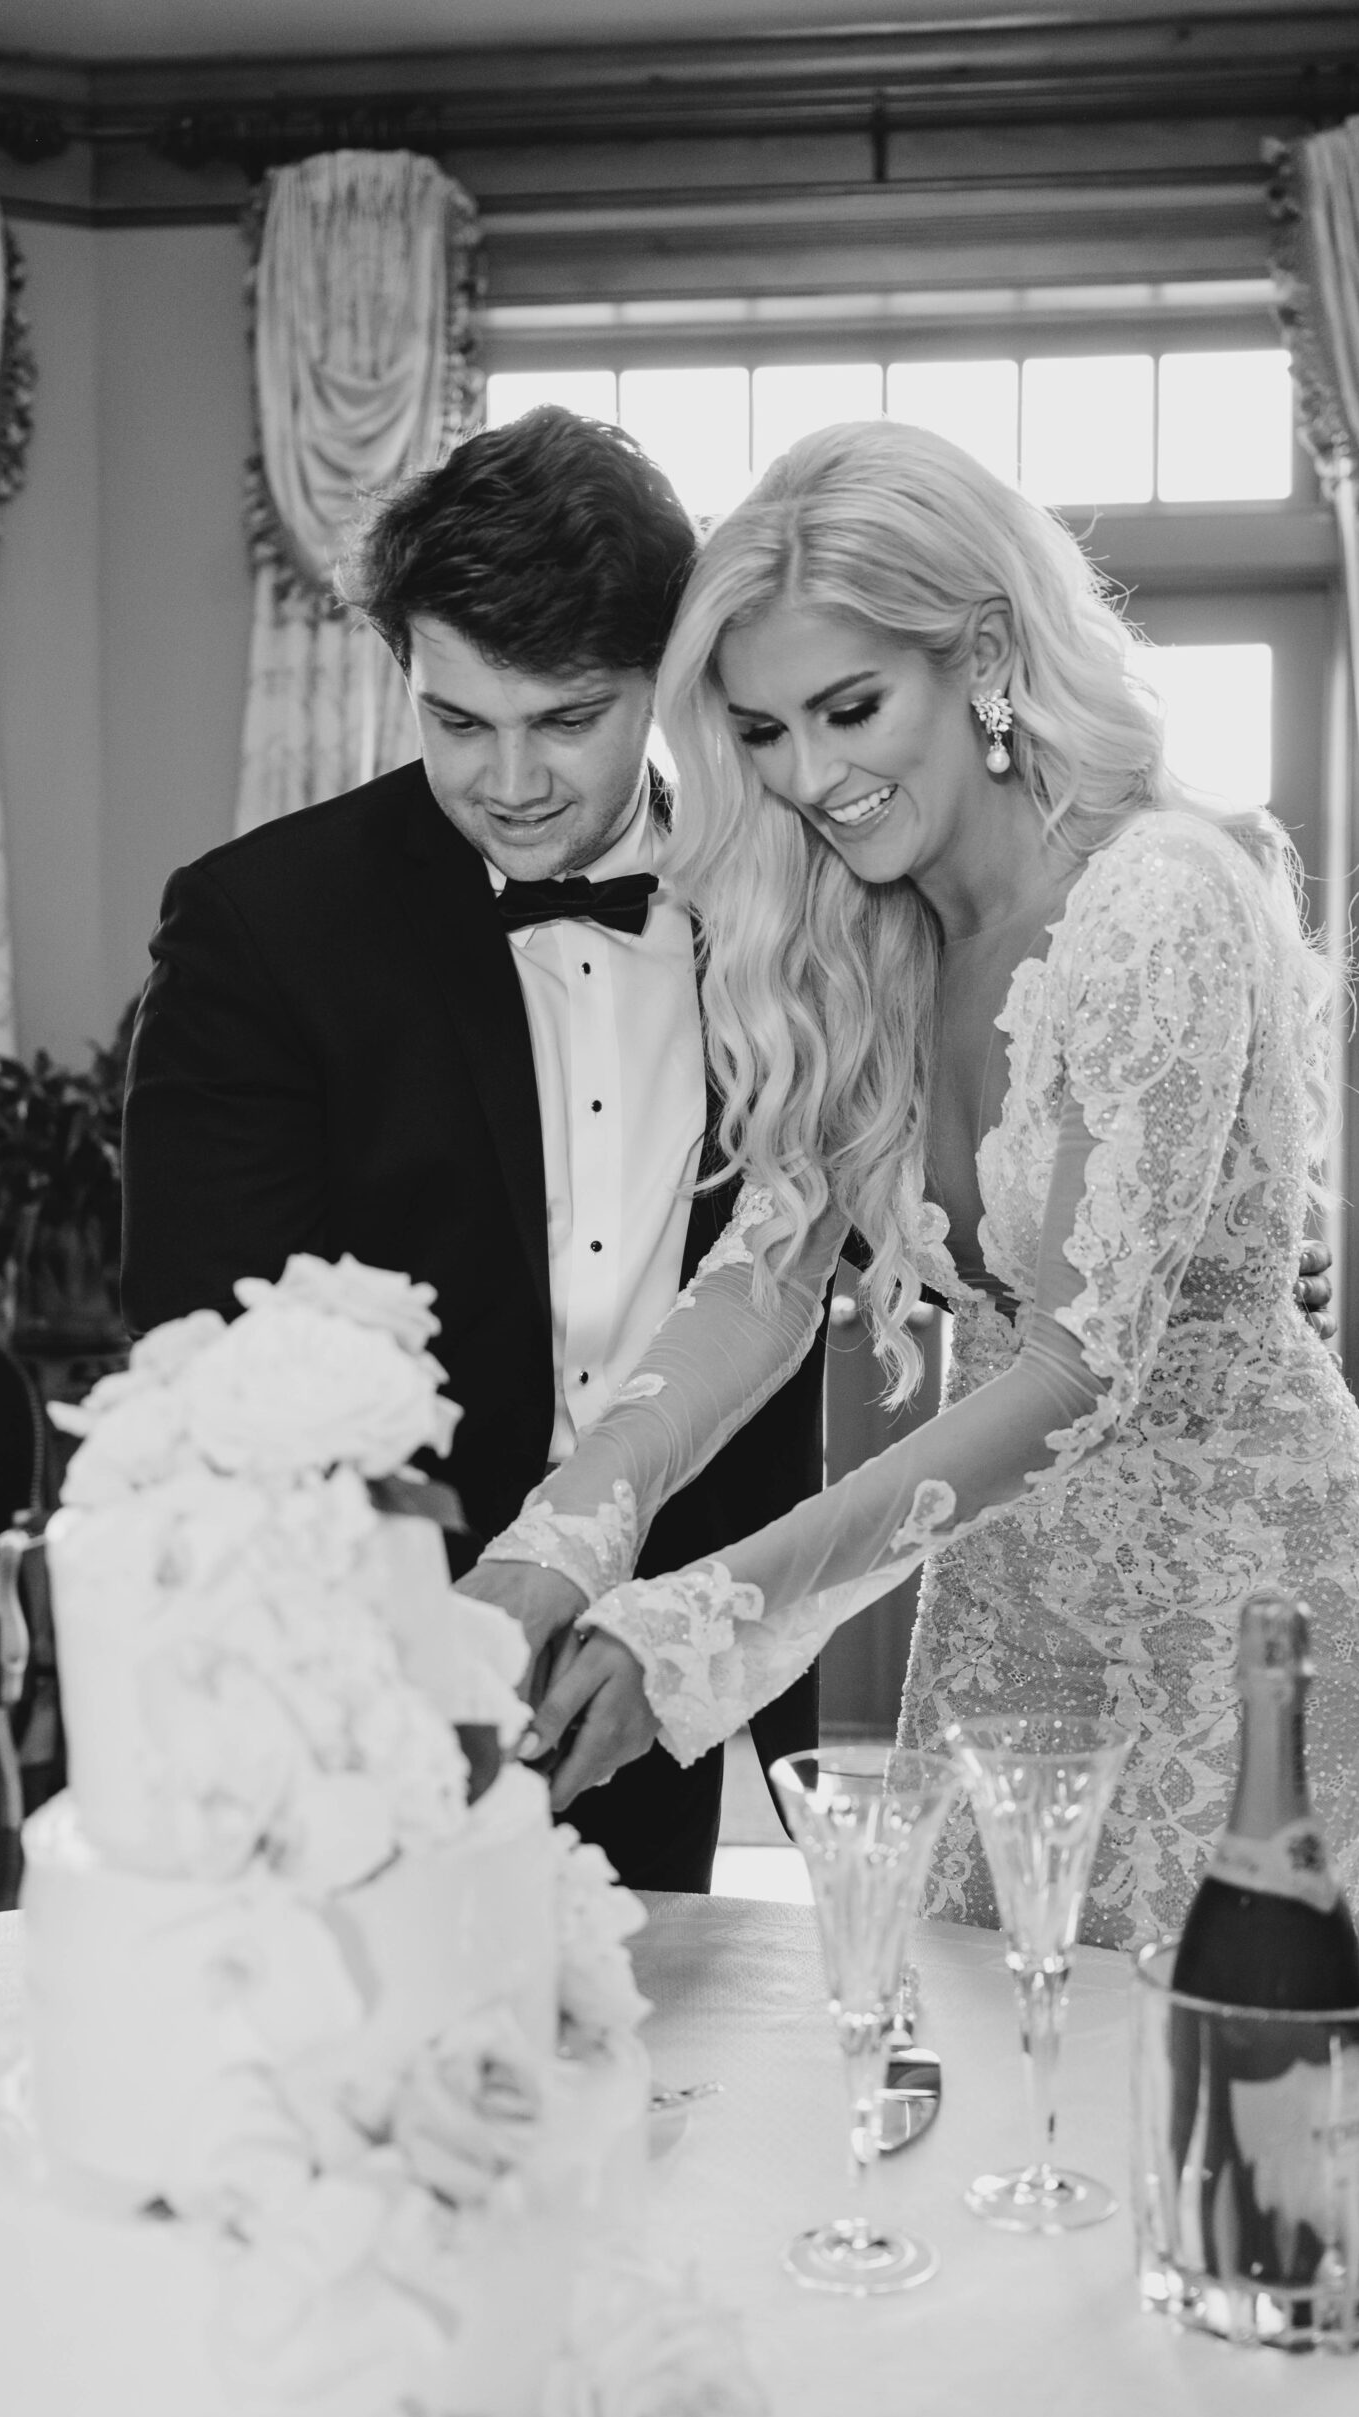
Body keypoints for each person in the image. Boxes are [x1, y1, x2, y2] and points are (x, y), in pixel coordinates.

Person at [481, 418, 1359, 1951]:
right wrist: (555, 1544)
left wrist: (707, 1626)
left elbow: (1077, 1368)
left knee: (1159, 2094)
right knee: (972, 2067)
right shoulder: (864, 936)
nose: (813, 775)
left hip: (1240, 1603)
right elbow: (766, 1285)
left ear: (981, 656)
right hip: (1006, 1591)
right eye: (764, 732)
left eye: (850, 707)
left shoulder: (1159, 899)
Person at [118, 407, 827, 1894]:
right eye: (457, 721)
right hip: (352, 1676)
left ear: (668, 684)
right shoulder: (264, 926)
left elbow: (824, 1264)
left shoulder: (785, 910)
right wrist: (405, 1660)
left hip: (657, 1653)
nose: (509, 780)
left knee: (656, 2080)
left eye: (568, 719)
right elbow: (208, 1344)